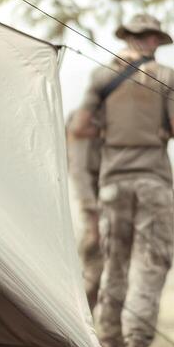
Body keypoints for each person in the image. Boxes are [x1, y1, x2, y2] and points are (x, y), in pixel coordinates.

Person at [72, 14, 174, 347]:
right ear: (153, 40)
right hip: (153, 181)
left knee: (114, 264)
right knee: (149, 263)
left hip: (112, 184)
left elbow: (79, 127)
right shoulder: (166, 76)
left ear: (127, 38)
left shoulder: (101, 76)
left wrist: (112, 134)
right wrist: (155, 133)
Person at [66, 112, 103, 310]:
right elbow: (80, 177)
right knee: (93, 270)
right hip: (83, 216)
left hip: (83, 212)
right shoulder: (79, 144)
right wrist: (92, 221)